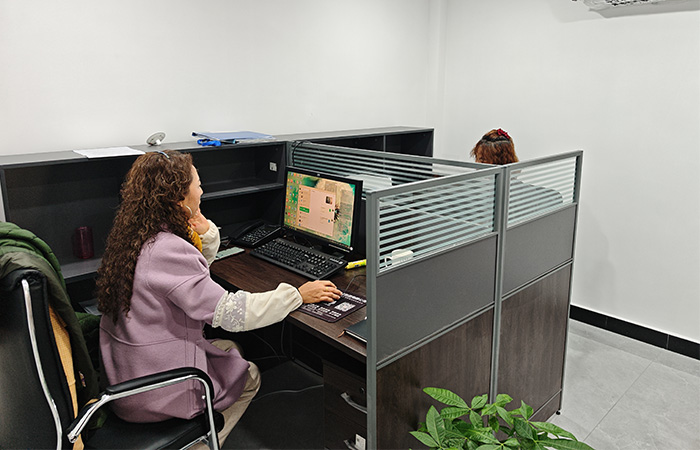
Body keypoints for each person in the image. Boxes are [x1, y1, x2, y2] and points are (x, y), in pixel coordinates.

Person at [96, 149, 341, 446]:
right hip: (154, 391)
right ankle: (201, 443)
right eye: (198, 185)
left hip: (126, 374)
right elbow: (234, 314)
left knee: (229, 348)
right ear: (179, 198)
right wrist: (297, 294)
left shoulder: (136, 236)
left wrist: (208, 233)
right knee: (249, 374)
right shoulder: (168, 249)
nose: (202, 191)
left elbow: (189, 280)